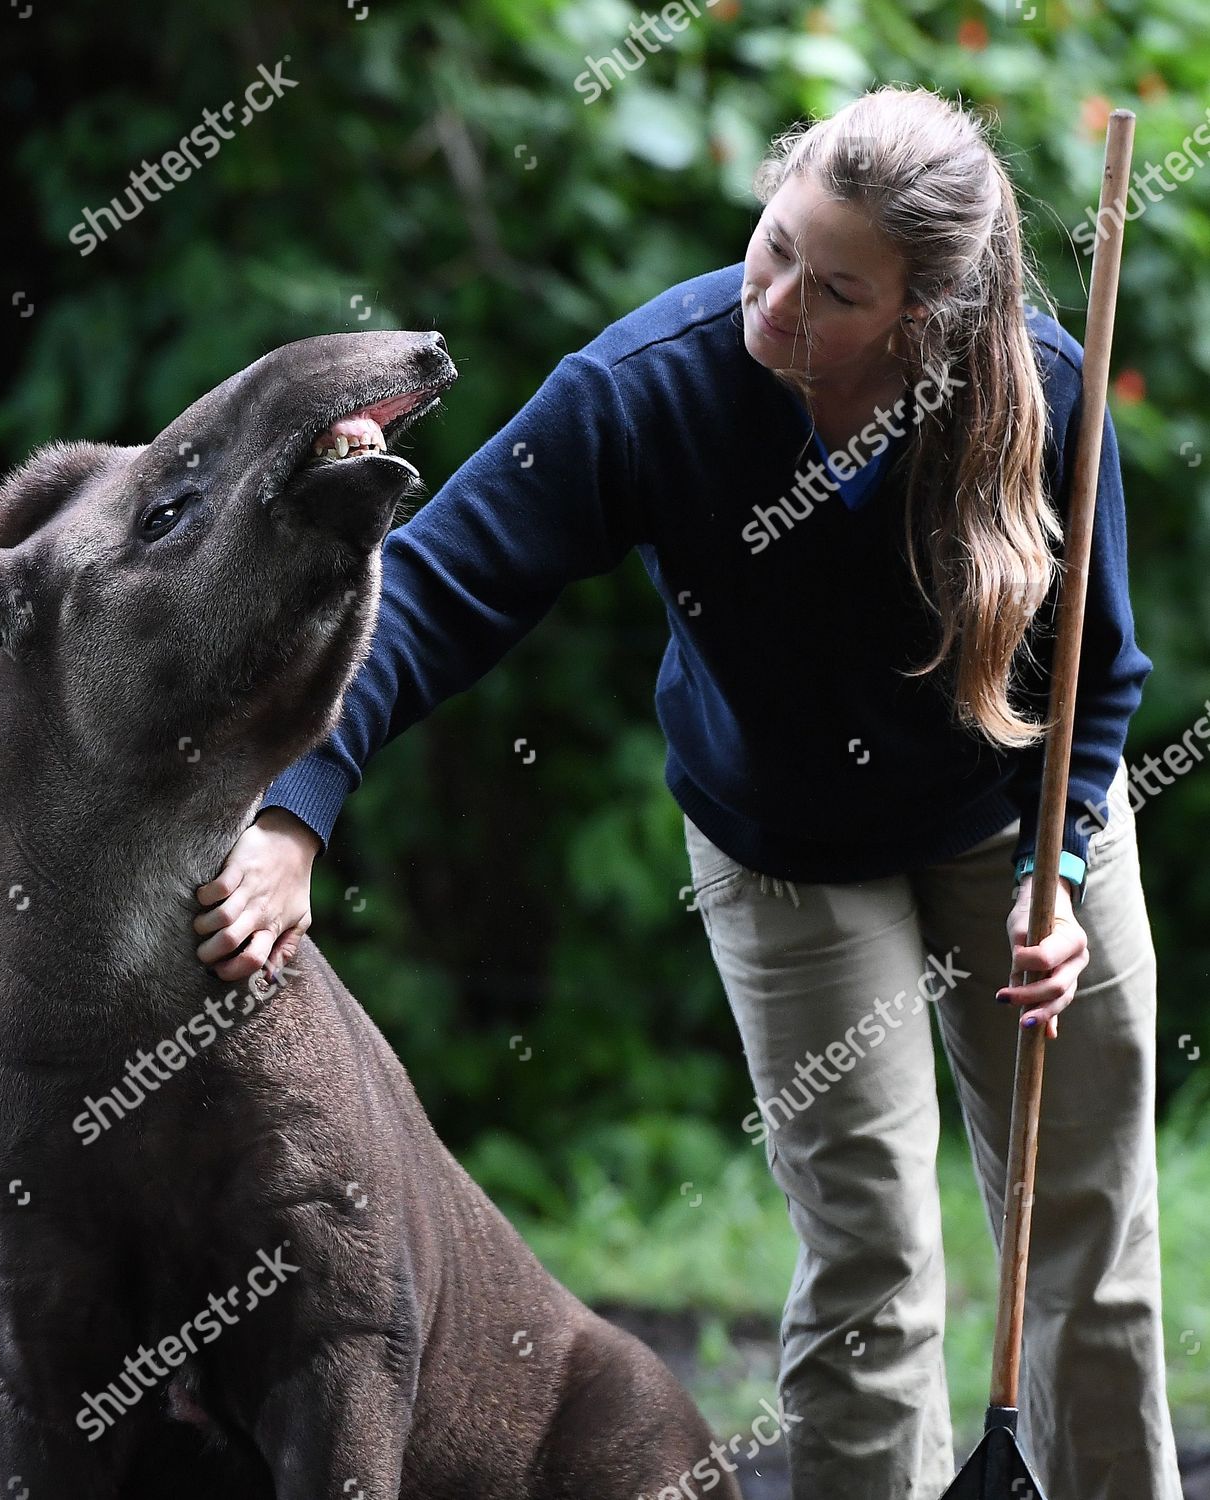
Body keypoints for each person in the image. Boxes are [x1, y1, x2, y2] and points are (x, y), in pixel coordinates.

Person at [192, 84, 1181, 1500]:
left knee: (1092, 1246)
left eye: (834, 289)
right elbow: (437, 588)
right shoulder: (648, 384)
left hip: (1018, 836)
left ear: (923, 317)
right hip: (785, 849)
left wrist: (1064, 871)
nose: (774, 300)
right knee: (870, 1272)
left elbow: (1102, 671)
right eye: (773, 245)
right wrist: (294, 810)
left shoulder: (1036, 389)